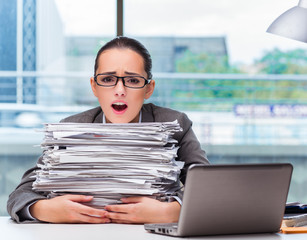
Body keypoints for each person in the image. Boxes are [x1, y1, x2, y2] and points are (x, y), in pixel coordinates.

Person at [7, 36, 209, 224]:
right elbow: (20, 195)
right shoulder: (71, 130)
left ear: (149, 88)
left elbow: (208, 188)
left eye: (132, 80)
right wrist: (44, 209)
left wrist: (171, 212)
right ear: (94, 86)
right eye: (107, 79)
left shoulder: (175, 124)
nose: (120, 90)